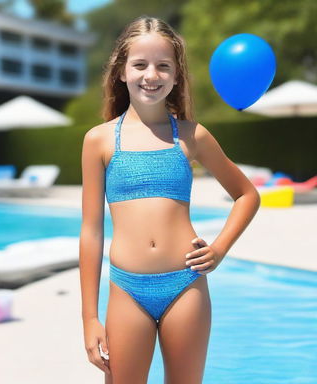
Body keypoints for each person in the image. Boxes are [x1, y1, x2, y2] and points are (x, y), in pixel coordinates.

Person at [79, 15, 261, 384]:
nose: (152, 75)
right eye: (140, 64)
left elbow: (247, 194)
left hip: (185, 285)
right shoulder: (98, 141)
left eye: (164, 66)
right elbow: (91, 233)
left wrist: (220, 249)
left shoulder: (192, 136)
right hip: (126, 289)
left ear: (177, 76)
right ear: (121, 71)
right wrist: (89, 318)